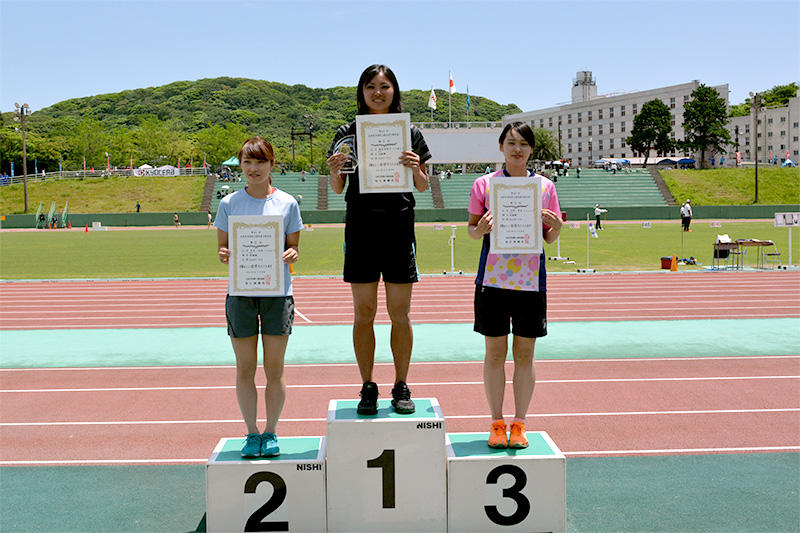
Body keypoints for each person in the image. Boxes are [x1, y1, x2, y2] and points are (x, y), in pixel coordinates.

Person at [326, 64, 432, 415]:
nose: (378, 93)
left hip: (399, 227)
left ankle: (401, 385)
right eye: (371, 87)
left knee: (400, 313)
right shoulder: (347, 132)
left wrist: (416, 167)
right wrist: (333, 170)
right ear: (362, 91)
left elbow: (423, 185)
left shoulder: (410, 132)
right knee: (364, 313)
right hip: (361, 228)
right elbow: (338, 187)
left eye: (384, 86)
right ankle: (367, 385)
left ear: (394, 91)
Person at [467, 121, 562, 449]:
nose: (517, 149)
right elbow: (472, 232)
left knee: (525, 354)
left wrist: (558, 227)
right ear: (501, 147)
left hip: (530, 282)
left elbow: (549, 237)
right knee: (494, 353)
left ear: (531, 148)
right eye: (511, 143)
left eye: (523, 143)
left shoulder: (545, 187)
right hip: (492, 281)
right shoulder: (484, 185)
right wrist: (481, 228)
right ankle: (496, 422)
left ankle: (519, 423)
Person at [215, 136, 303, 458]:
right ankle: (252, 432)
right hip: (241, 293)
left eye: (260, 162)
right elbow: (223, 249)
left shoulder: (287, 203)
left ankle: (272, 431)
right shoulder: (229, 204)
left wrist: (291, 252)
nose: (253, 169)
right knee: (245, 368)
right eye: (247, 162)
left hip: (277, 294)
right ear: (241, 165)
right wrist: (224, 253)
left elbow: (293, 248)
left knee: (275, 369)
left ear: (271, 165)